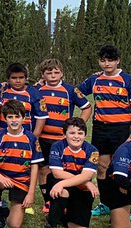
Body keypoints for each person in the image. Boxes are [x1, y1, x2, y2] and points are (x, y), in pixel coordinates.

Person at [78, 43, 131, 215]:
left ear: (118, 61)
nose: (107, 64)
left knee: (121, 166)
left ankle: (125, 207)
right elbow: (74, 91)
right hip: (101, 128)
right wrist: (43, 83)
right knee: (101, 167)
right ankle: (105, 203)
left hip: (122, 128)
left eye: (111, 60)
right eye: (103, 60)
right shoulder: (94, 79)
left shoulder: (129, 80)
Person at [33, 58, 90, 214]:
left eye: (56, 72)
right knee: (43, 170)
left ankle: (63, 198)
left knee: (60, 170)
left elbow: (87, 107)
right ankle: (48, 201)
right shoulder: (36, 90)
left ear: (62, 73)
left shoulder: (70, 90)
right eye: (49, 72)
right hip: (42, 138)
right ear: (42, 75)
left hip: (61, 140)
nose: (53, 75)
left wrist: (77, 126)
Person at [0, 99, 44, 228]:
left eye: (17, 117)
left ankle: (5, 211)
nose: (14, 120)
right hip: (2, 177)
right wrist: (1, 177)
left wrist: (31, 193)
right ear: (5, 119)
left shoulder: (31, 139)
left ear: (23, 118)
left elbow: (34, 167)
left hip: (21, 181)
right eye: (10, 117)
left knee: (14, 225)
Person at [41, 117, 98, 228]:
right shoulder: (57, 146)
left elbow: (87, 175)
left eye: (80, 133)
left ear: (85, 135)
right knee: (62, 191)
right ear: (64, 134)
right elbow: (57, 173)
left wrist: (85, 182)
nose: (76, 136)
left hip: (80, 186)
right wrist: (85, 182)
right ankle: (51, 224)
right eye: (72, 133)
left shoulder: (92, 151)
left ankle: (62, 215)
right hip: (60, 181)